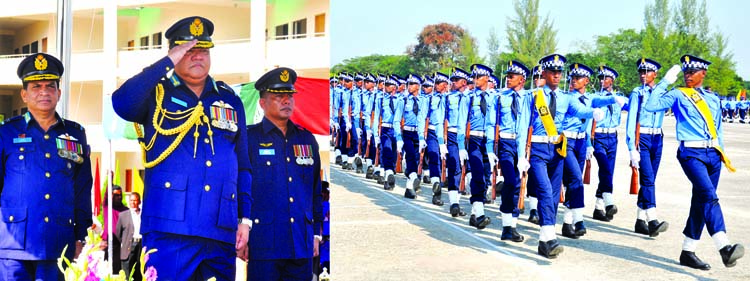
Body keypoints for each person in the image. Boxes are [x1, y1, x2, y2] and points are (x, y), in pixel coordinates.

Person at [111, 16, 251, 280]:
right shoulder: (156, 94)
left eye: (203, 50)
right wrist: (166, 64)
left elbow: (243, 165)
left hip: (220, 230)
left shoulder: (229, 100)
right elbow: (122, 103)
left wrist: (245, 220)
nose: (197, 56)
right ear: (174, 53)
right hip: (170, 230)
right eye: (188, 50)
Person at [644, 55, 744, 270]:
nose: (688, 76)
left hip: (713, 154)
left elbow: (719, 129)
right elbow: (651, 106)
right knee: (709, 196)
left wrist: (721, 154)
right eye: (685, 72)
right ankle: (724, 247)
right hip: (691, 153)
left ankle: (688, 251)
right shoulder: (678, 94)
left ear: (703, 74)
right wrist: (665, 82)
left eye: (692, 72)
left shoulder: (713, 98)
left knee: (701, 201)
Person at [0, 53, 93, 280]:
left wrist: (81, 236)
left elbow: (82, 188)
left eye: (50, 86)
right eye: (36, 86)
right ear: (24, 94)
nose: (44, 92)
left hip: (58, 242)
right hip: (13, 243)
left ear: (59, 93)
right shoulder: (6, 133)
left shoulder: (75, 134)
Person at [523, 54, 605, 258]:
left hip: (557, 150)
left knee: (552, 194)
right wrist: (520, 155)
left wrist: (594, 112)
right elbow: (522, 125)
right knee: (543, 189)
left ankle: (545, 240)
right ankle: (549, 237)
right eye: (553, 72)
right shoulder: (533, 96)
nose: (557, 76)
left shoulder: (566, 98)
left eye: (560, 72)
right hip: (537, 150)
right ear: (544, 73)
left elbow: (580, 111)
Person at [246, 67, 323, 280]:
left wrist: (317, 232)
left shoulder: (306, 139)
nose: (286, 101)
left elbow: (315, 190)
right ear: (262, 103)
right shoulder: (249, 138)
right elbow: (239, 189)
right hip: (263, 243)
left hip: (301, 242)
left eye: (289, 96)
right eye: (278, 97)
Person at [485, 60, 531, 241]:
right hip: (504, 144)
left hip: (522, 146)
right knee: (511, 181)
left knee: (519, 184)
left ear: (522, 80)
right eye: (507, 76)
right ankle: (506, 225)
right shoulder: (498, 97)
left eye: (512, 77)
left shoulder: (529, 98)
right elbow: (491, 124)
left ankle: (511, 227)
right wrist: (490, 149)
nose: (508, 79)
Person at [625, 58, 671, 237]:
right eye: (641, 72)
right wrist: (631, 147)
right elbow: (631, 122)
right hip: (642, 137)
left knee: (649, 180)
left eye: (647, 72)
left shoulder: (661, 92)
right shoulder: (638, 93)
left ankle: (639, 220)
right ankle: (652, 220)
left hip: (657, 138)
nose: (643, 75)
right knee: (648, 178)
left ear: (655, 74)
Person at [458, 64, 495, 229]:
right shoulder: (468, 98)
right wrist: (460, 145)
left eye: (479, 77)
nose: (475, 80)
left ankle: (474, 213)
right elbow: (461, 122)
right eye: (474, 77)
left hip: (490, 142)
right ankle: (479, 213)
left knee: (486, 174)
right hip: (473, 139)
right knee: (478, 174)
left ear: (487, 78)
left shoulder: (496, 97)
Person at [591, 65, 627, 222]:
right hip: (598, 136)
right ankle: (609, 201)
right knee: (605, 168)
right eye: (600, 78)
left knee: (609, 171)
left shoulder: (619, 97)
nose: (602, 81)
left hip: (612, 136)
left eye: (605, 78)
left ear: (612, 80)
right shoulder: (596, 97)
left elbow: (632, 107)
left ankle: (598, 208)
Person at [394, 74, 427, 199]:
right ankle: (413, 177)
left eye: (412, 84)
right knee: (410, 157)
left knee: (417, 159)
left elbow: (423, 118)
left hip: (418, 133)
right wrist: (398, 138)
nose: (409, 87)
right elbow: (397, 120)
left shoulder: (424, 101)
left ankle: (409, 188)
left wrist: (422, 136)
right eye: (408, 84)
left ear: (418, 86)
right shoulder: (404, 100)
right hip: (407, 133)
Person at [443, 68, 471, 216]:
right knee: (455, 166)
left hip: (470, 137)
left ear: (464, 82)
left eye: (455, 80)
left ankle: (476, 208)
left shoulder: (472, 98)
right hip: (453, 135)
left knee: (470, 169)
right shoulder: (448, 98)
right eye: (452, 80)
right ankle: (454, 203)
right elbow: (443, 119)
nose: (452, 83)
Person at [101, 185, 129, 273]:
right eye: (116, 195)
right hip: (108, 241)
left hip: (120, 242)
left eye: (120, 195)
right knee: (107, 266)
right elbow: (106, 194)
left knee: (118, 267)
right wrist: (111, 176)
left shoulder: (125, 210)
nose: (119, 197)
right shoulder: (107, 207)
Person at [116, 192, 143, 281]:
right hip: (129, 246)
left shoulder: (143, 215)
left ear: (139, 202)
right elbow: (118, 233)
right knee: (128, 272)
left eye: (135, 200)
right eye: (131, 200)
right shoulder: (123, 215)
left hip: (141, 245)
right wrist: (125, 242)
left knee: (139, 270)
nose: (133, 202)